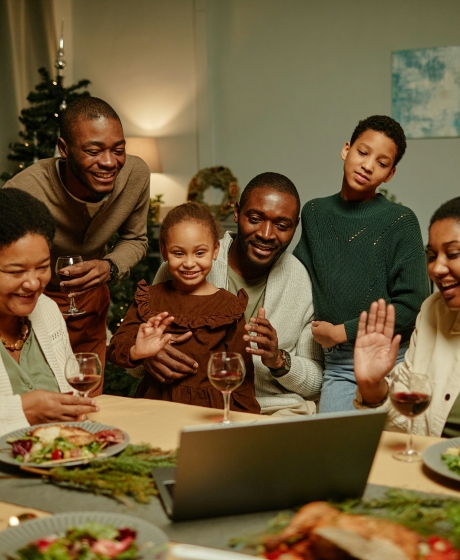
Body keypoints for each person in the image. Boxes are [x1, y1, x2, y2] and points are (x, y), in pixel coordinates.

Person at [3, 97, 150, 394]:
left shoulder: (135, 175)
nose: (110, 162)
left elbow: (136, 238)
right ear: (64, 148)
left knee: (85, 394)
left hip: (92, 299)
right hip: (34, 301)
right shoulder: (25, 190)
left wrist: (110, 266)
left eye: (118, 150)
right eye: (94, 150)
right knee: (38, 392)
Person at [146, 173, 324, 416]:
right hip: (191, 404)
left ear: (295, 225)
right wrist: (148, 357)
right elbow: (136, 351)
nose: (266, 233)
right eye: (255, 219)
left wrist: (278, 360)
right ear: (237, 212)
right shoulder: (188, 263)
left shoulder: (300, 281)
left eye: (282, 226)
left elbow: (316, 382)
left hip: (271, 409)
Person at [293, 115, 429, 413]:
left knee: (391, 451)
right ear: (346, 149)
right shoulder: (315, 213)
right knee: (336, 453)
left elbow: (413, 303)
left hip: (393, 359)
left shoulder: (400, 221)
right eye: (363, 152)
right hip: (340, 365)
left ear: (390, 174)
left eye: (381, 163)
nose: (368, 166)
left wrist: (341, 332)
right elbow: (297, 278)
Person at [107, 202, 260, 413]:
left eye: (199, 253)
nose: (189, 263)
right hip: (155, 407)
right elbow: (116, 348)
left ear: (215, 250)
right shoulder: (150, 298)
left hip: (208, 412)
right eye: (179, 253)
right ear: (164, 252)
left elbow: (242, 377)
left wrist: (246, 423)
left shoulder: (229, 307)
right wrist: (136, 351)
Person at [353, 196, 460, 437]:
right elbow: (409, 422)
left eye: (453, 254)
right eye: (432, 256)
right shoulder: (433, 310)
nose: (436, 268)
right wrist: (372, 386)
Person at [0, 188, 101, 437]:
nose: (34, 283)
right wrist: (24, 410)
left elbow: (74, 394)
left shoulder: (46, 309)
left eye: (42, 267)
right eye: (16, 272)